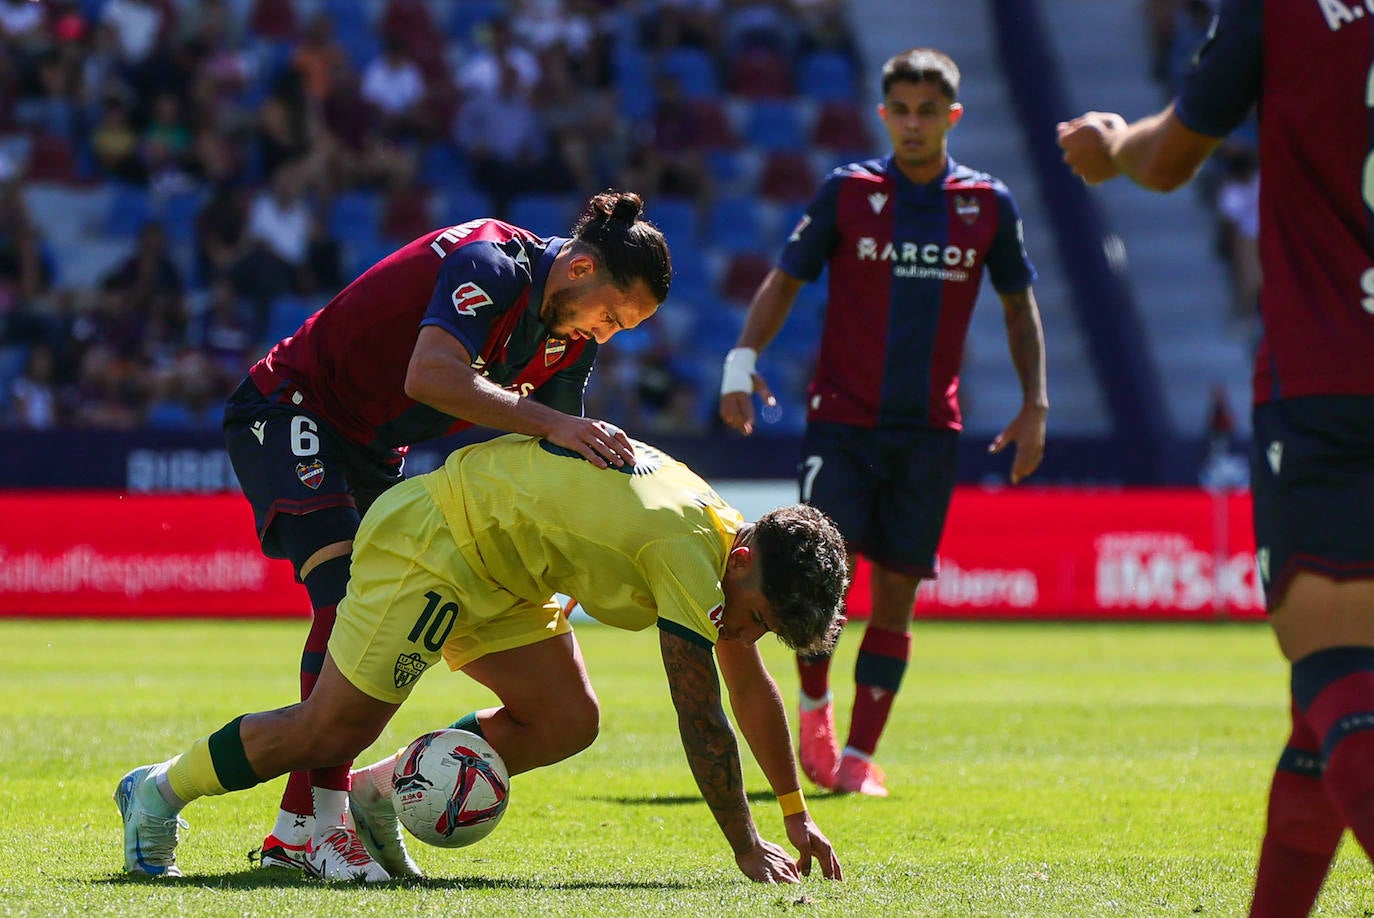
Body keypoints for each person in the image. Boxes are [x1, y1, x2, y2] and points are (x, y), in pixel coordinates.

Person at [114, 432, 848, 884]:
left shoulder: (722, 539)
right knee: (328, 731)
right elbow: (703, 715)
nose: (748, 636)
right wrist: (745, 846)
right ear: (747, 559)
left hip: (506, 571)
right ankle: (158, 791)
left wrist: (793, 811)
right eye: (757, 619)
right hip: (438, 543)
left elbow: (750, 688)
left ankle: (376, 795)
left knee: (565, 719)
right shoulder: (687, 550)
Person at [221, 190, 671, 879]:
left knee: (381, 616)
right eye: (610, 315)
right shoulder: (489, 261)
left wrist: (571, 562)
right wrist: (552, 423)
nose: (604, 335)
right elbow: (431, 376)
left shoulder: (566, 339)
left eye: (620, 329)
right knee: (344, 601)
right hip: (293, 406)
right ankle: (310, 828)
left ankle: (307, 826)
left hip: (373, 449)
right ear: (579, 269)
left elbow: (552, 464)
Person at [1057, 3, 1374, 916]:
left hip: (1330, 379)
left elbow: (1166, 160)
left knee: (1336, 669)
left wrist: (1113, 143)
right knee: (1321, 715)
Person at [718, 47, 1049, 797]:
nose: (912, 123)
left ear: (952, 117)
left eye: (927, 110)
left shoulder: (988, 205)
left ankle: (860, 758)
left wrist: (1036, 402)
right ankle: (814, 713)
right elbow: (785, 278)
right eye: (900, 109)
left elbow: (1018, 308)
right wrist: (742, 360)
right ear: (883, 114)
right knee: (819, 582)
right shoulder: (849, 192)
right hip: (841, 422)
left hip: (930, 431)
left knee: (897, 594)